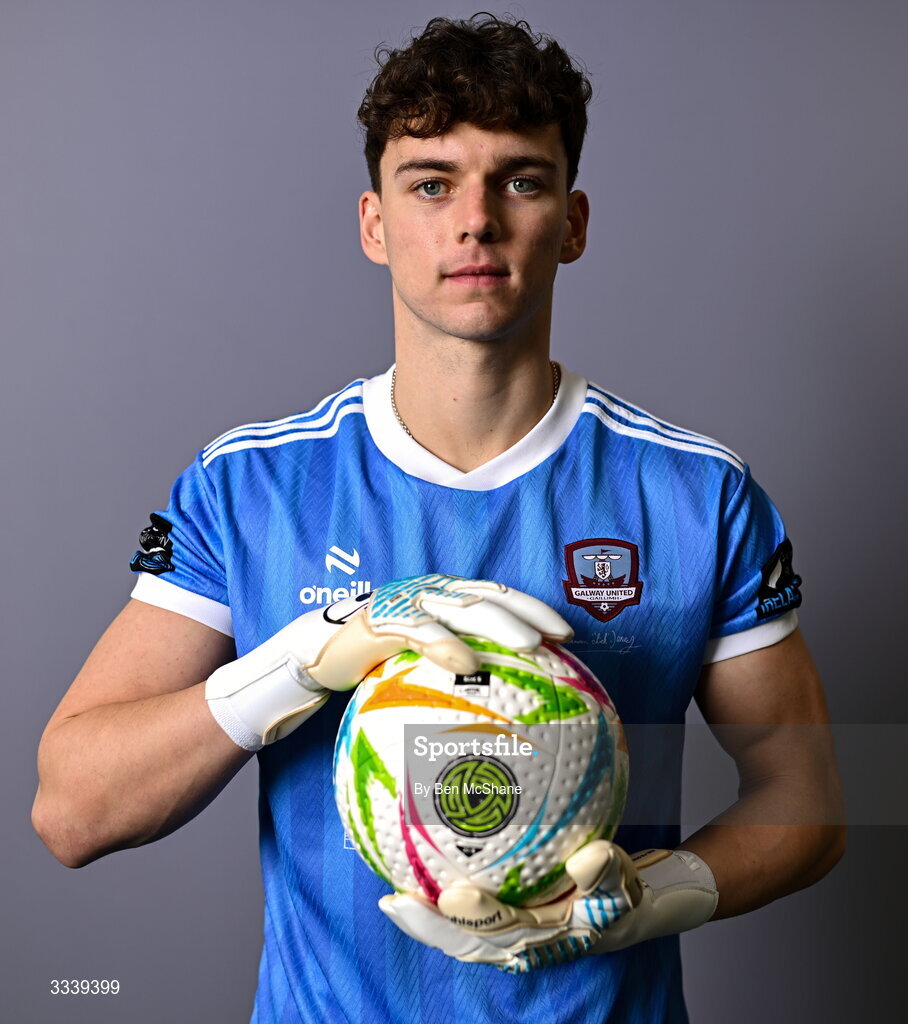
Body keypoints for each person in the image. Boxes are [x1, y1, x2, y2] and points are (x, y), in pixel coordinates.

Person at [31, 13, 845, 1023]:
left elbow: (804, 798)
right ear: (374, 223)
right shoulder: (249, 486)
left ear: (574, 221)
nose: (474, 221)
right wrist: (298, 661)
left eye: (519, 179)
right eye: (430, 182)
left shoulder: (696, 493)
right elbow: (71, 808)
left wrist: (646, 900)